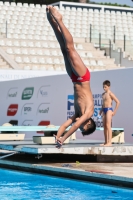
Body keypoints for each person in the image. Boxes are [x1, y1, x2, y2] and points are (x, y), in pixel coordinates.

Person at [46, 6, 96, 148]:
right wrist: (64, 138)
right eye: (83, 127)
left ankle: (52, 22)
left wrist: (58, 136)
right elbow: (74, 127)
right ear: (88, 122)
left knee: (63, 50)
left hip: (74, 78)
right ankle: (59, 20)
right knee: (69, 48)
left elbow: (66, 123)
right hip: (82, 76)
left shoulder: (78, 113)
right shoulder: (88, 112)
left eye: (81, 128)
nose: (79, 126)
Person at [99, 80, 120, 146]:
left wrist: (114, 111)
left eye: (105, 87)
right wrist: (100, 111)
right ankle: (106, 142)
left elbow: (118, 102)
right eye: (103, 87)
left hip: (109, 109)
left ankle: (109, 142)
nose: (104, 88)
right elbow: (103, 104)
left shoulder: (110, 94)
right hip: (104, 110)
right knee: (104, 126)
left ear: (109, 87)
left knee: (108, 126)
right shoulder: (103, 94)